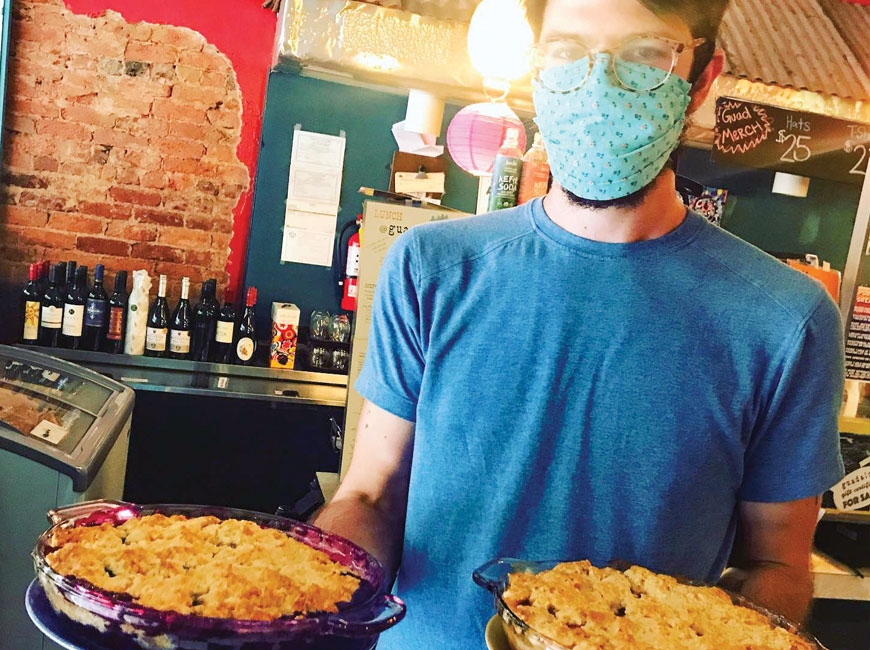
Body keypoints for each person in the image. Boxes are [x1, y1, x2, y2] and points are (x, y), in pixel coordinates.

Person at [314, 0, 845, 647]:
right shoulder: (431, 268)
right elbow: (370, 497)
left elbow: (777, 565)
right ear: (538, 69)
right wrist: (298, 586)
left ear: (703, 79)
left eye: (645, 54)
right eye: (567, 53)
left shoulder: (785, 319)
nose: (598, 89)